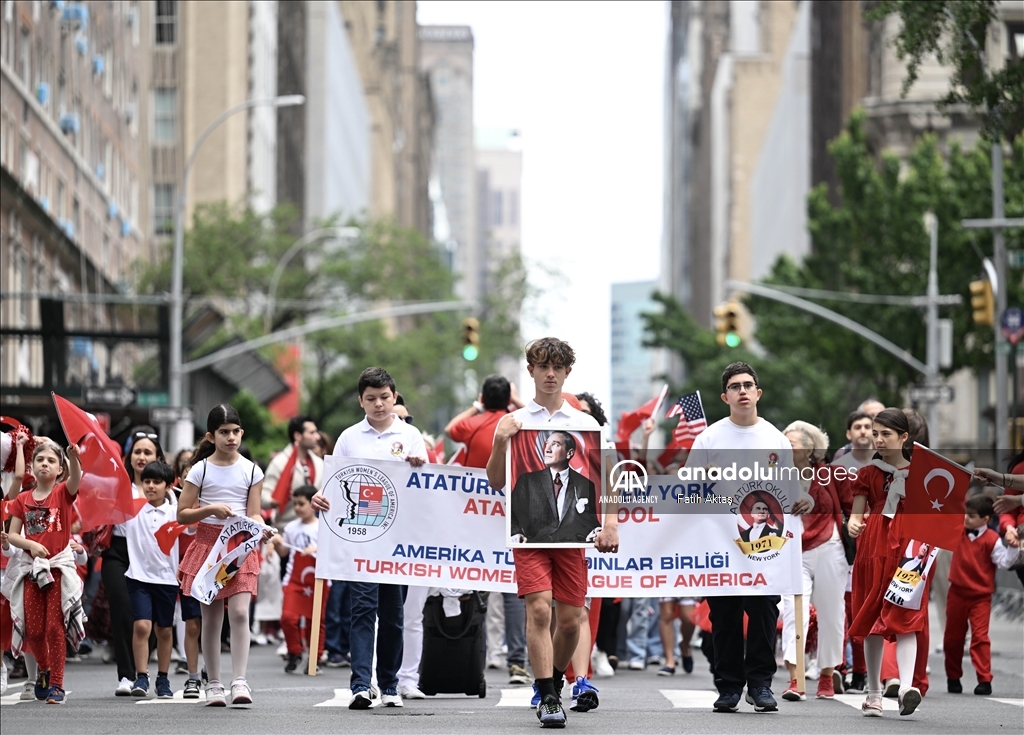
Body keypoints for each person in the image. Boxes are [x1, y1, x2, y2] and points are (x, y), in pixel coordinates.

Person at [486, 337, 619, 727]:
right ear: (530, 371)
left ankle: (556, 680)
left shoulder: (585, 425)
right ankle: (546, 694)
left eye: (556, 368)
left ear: (566, 373)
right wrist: (499, 440)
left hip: (573, 539)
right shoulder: (514, 422)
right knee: (539, 607)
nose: (549, 374)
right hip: (529, 537)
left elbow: (609, 477)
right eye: (542, 366)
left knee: (570, 618)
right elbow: (497, 481)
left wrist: (610, 523)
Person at [683, 362, 811, 714]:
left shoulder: (775, 439)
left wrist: (805, 498)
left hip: (765, 547)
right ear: (725, 396)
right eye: (735, 386)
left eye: (748, 385)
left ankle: (760, 684)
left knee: (763, 611)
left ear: (758, 393)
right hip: (720, 545)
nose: (742, 391)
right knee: (723, 615)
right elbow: (688, 491)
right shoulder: (708, 438)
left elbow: (791, 488)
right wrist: (702, 479)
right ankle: (728, 687)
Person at [310, 367, 427, 710]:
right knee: (362, 609)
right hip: (361, 538)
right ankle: (361, 684)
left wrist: (420, 466)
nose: (379, 404)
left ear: (394, 396)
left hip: (399, 541)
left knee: (393, 615)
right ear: (361, 401)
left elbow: (430, 491)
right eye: (371, 399)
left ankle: (389, 684)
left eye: (385, 397)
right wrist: (321, 497)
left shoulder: (411, 436)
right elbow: (334, 483)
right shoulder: (349, 437)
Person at [177, 405, 270, 707]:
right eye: (224, 432)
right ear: (210, 435)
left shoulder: (252, 470)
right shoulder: (200, 469)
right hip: (207, 546)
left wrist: (262, 528)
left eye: (235, 432)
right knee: (212, 619)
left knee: (240, 613)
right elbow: (182, 515)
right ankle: (214, 683)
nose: (231, 437)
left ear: (242, 433)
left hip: (240, 546)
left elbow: (253, 512)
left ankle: (239, 681)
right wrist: (210, 509)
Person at [446, 376, 531, 687]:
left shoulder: (476, 423)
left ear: (483, 397)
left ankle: (472, 659)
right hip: (514, 517)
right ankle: (517, 663)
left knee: (476, 587)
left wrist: (476, 406)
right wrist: (517, 403)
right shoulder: (519, 421)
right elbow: (541, 421)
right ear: (509, 398)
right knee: (512, 590)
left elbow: (450, 429)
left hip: (477, 520)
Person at [847, 408, 924, 718]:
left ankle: (906, 687)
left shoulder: (922, 473)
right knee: (872, 618)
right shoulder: (867, 473)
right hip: (874, 547)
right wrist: (854, 524)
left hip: (909, 549)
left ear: (904, 437)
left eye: (885, 434)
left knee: (906, 617)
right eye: (875, 433)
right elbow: (856, 514)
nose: (877, 439)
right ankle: (874, 693)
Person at [5, 441, 85, 705]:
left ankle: (57, 685)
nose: (45, 464)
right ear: (31, 466)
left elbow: (76, 478)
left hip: (59, 570)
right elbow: (14, 535)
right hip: (31, 572)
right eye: (40, 460)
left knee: (54, 628)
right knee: (35, 631)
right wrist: (31, 545)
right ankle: (45, 669)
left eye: (51, 461)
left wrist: (74, 458)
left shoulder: (63, 492)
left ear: (59, 469)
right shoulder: (22, 500)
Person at [780, 421, 848, 701]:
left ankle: (826, 677)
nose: (783, 446)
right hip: (791, 550)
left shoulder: (831, 474)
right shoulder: (774, 475)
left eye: (790, 443)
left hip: (830, 547)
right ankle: (796, 680)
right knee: (793, 612)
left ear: (809, 448)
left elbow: (852, 504)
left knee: (832, 615)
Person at [107, 428, 165, 697]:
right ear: (130, 456)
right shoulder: (116, 484)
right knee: (122, 610)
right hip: (118, 553)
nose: (141, 457)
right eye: (137, 452)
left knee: (148, 619)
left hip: (151, 555)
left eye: (148, 452)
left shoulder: (167, 490)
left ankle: (142, 668)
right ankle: (127, 676)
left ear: (157, 457)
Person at [944, 495, 1013, 695]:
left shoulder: (992, 540)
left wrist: (1014, 549)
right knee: (952, 639)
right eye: (965, 514)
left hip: (980, 597)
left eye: (971, 516)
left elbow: (1004, 563)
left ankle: (984, 679)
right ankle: (953, 677)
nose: (966, 519)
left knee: (980, 637)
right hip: (956, 593)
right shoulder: (958, 532)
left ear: (985, 519)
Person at [123, 461, 180, 699]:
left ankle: (163, 679)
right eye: (147, 481)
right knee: (142, 626)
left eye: (157, 482)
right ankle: (142, 676)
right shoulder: (131, 510)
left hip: (167, 579)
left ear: (168, 486)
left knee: (164, 630)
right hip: (138, 577)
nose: (151, 486)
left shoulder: (176, 513)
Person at [270, 485, 327, 675]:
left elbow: (335, 553)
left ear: (313, 503)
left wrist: (317, 550)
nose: (297, 508)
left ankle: (314, 658)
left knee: (315, 621)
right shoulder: (291, 527)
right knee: (288, 617)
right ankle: (294, 651)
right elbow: (284, 552)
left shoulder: (324, 526)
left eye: (301, 504)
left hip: (318, 580)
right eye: (295, 504)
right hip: (294, 579)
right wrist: (277, 543)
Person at [510, 431, 601, 545]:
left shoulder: (585, 484)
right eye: (547, 444)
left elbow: (589, 522)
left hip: (569, 552)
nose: (547, 449)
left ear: (569, 453)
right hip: (534, 549)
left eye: (556, 444)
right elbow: (512, 513)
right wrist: (515, 533)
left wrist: (596, 532)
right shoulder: (528, 481)